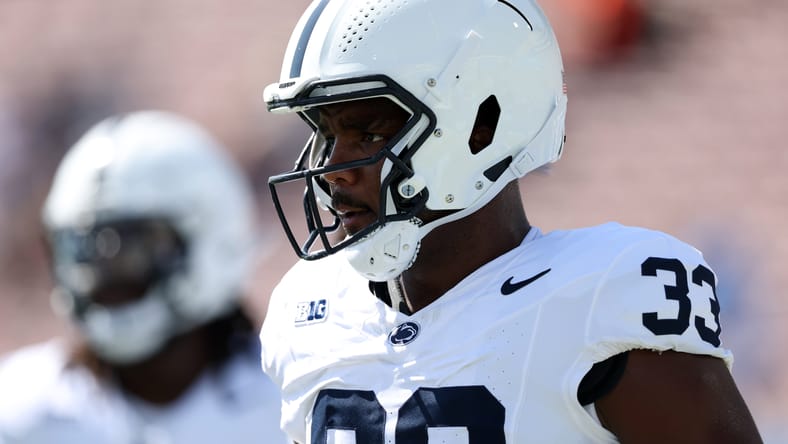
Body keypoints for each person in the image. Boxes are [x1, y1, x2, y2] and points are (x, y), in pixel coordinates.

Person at [258, 0, 762, 442]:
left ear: (482, 126)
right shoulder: (308, 312)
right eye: (325, 132)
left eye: (368, 132)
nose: (330, 169)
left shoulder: (600, 298)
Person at [0, 111, 288, 444]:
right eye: (84, 250)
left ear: (212, 239)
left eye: (134, 248)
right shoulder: (20, 410)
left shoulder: (293, 396)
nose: (105, 276)